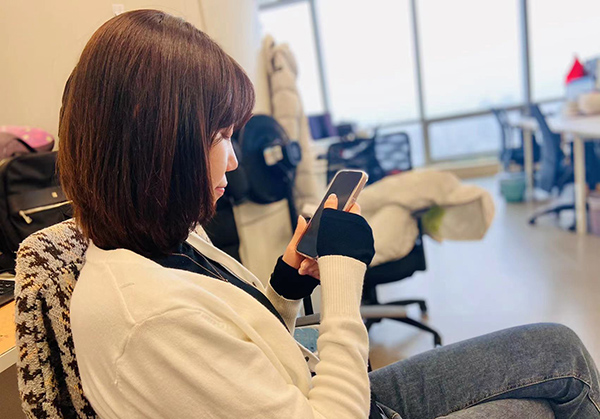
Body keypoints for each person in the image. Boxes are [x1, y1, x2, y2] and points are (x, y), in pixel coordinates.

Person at [61, 10, 600, 419]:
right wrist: (344, 282)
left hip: (318, 387)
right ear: (158, 145)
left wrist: (285, 288)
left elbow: (246, 351)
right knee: (539, 408)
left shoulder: (166, 241)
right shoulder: (150, 322)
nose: (234, 159)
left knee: (559, 349)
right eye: (219, 137)